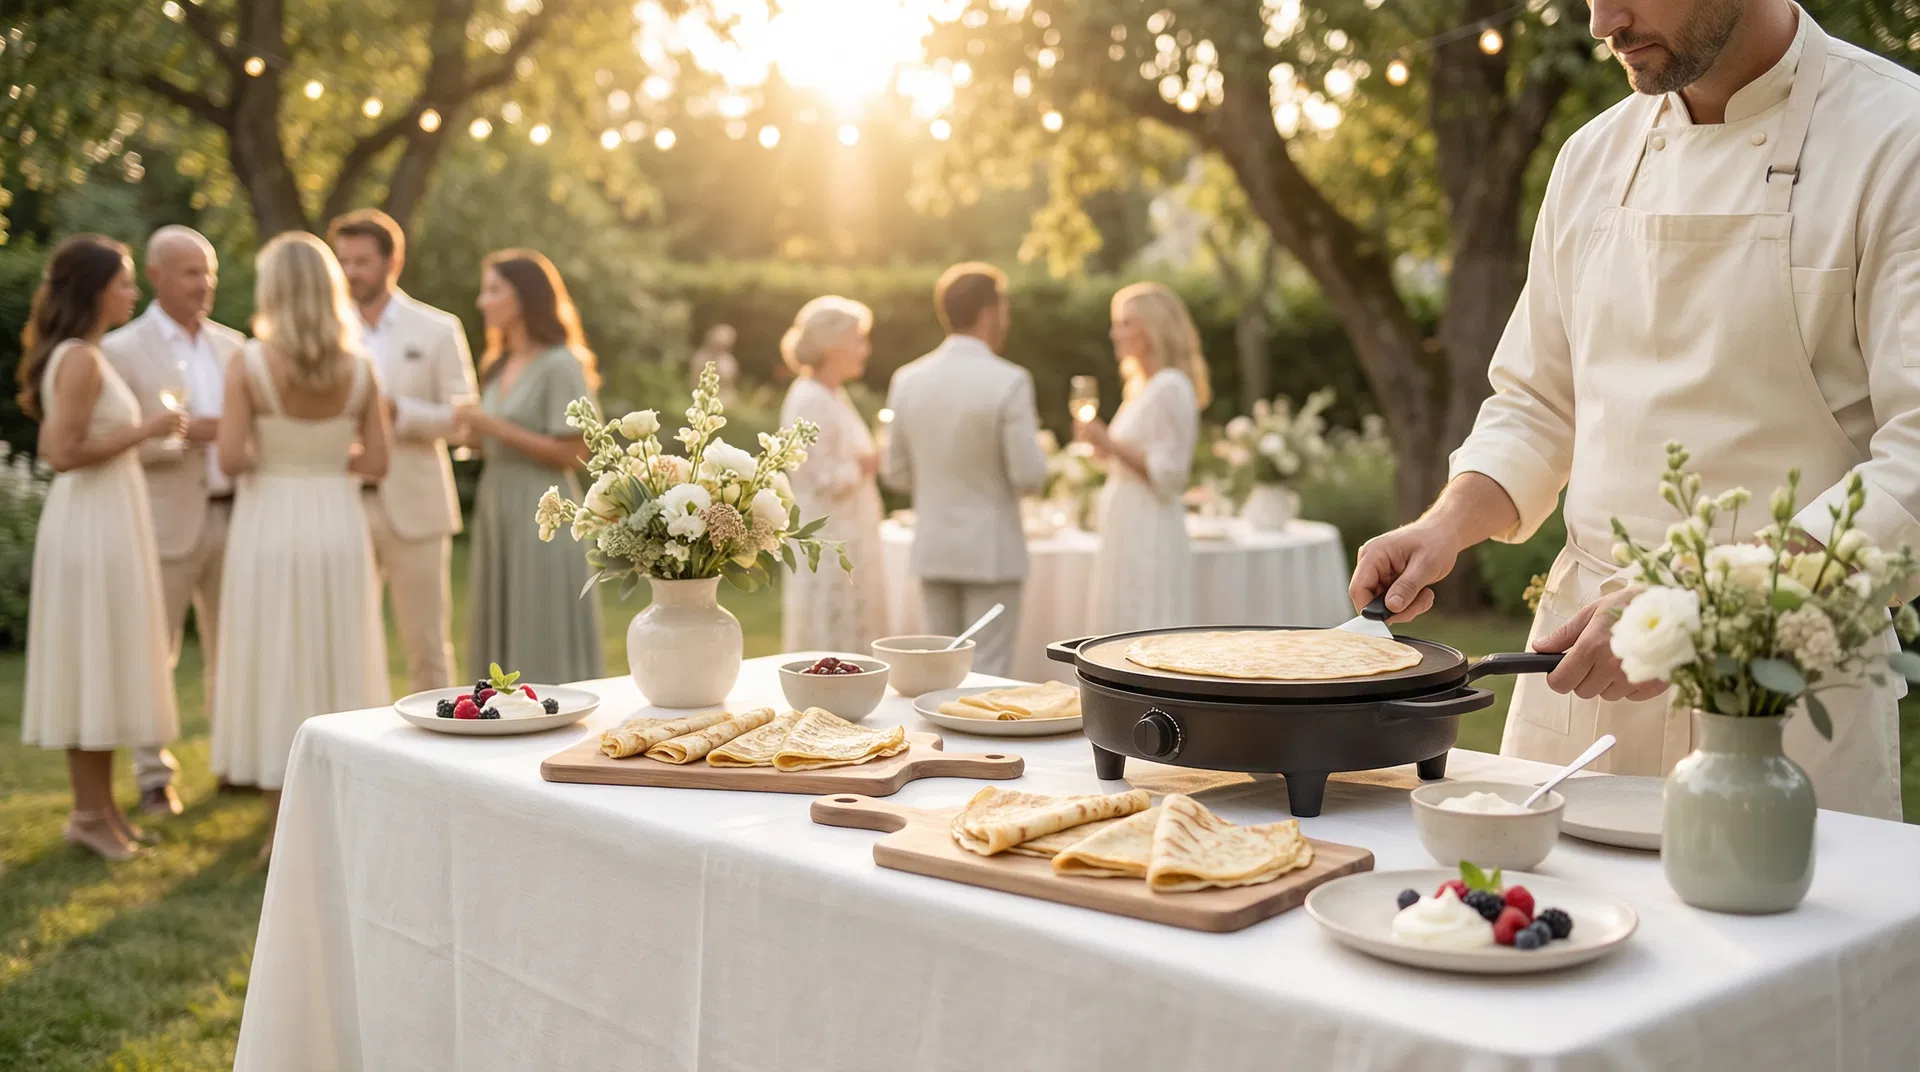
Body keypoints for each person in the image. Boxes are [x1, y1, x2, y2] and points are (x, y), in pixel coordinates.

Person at [1350, 0, 1920, 820]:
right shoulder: (1591, 157)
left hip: (1777, 694)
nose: (1601, 22)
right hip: (1579, 675)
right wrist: (1444, 525)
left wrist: (1703, 600)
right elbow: (1539, 403)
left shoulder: (1896, 142)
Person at [212, 232, 391, 858]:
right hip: (338, 521)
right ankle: (339, 817)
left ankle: (280, 824)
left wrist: (280, 451)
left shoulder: (249, 363)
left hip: (270, 519)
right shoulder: (362, 368)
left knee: (275, 653)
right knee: (335, 651)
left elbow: (231, 457)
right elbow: (377, 463)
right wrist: (328, 451)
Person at [16, 234, 185, 861]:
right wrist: (148, 428)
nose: (134, 293)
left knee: (107, 658)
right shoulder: (81, 360)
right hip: (92, 522)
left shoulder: (84, 353)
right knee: (92, 659)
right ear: (94, 289)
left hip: (110, 516)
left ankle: (106, 809)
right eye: (125, 281)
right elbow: (61, 453)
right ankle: (88, 814)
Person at [101, 225, 247, 815]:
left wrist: (226, 433)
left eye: (208, 271)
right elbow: (115, 440)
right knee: (152, 650)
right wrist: (184, 437)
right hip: (163, 518)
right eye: (190, 272)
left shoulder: (235, 346)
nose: (204, 283)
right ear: (157, 275)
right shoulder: (120, 350)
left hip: (235, 514)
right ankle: (151, 775)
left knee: (233, 648)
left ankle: (235, 759)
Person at [328, 208, 476, 694]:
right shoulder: (327, 331)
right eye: (343, 261)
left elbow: (463, 418)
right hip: (341, 501)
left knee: (427, 646)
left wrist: (395, 412)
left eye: (362, 261)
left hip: (417, 505)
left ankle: (439, 755)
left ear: (393, 260)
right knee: (344, 641)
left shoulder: (437, 328)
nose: (351, 272)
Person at [882, 262, 1047, 676]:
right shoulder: (1010, 380)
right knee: (988, 674)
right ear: (989, 312)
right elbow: (1028, 475)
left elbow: (895, 474)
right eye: (1005, 309)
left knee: (939, 673)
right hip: (992, 552)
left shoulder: (907, 379)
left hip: (934, 547)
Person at [454, 250, 604, 685]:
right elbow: (496, 440)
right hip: (497, 501)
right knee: (500, 612)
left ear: (525, 298)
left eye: (494, 290)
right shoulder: (497, 364)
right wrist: (475, 436)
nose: (483, 302)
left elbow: (576, 452)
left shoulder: (561, 364)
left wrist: (493, 427)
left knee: (538, 614)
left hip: (545, 507)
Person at [1078, 282, 1207, 633]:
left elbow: (1170, 476)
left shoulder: (1171, 387)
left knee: (1146, 619)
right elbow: (1132, 461)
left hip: (1148, 525)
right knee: (1121, 618)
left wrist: (1110, 441)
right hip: (1126, 520)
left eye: (1127, 323)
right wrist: (1102, 448)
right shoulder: (1141, 389)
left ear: (1154, 327)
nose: (1115, 332)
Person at [778, 296, 889, 653]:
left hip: (851, 534)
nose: (865, 349)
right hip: (829, 541)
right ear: (832, 344)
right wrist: (865, 464)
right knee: (832, 632)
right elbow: (818, 476)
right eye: (857, 339)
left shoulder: (833, 394)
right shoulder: (809, 398)